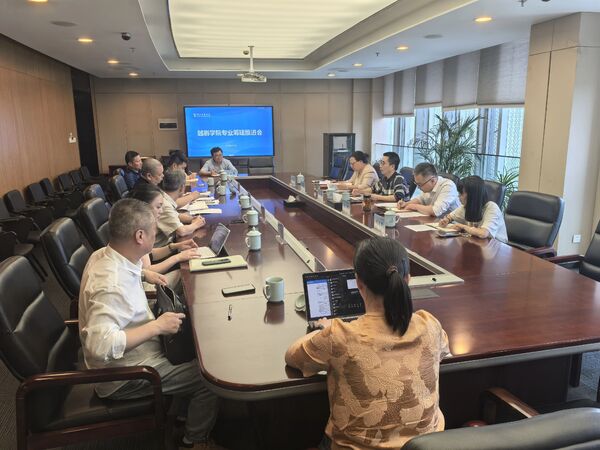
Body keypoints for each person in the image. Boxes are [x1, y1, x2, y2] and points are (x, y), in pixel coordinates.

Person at [78, 198, 222, 449]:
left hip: (141, 352)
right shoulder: (110, 285)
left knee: (197, 346)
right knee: (209, 378)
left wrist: (144, 274)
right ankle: (194, 441)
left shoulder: (105, 254)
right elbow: (99, 346)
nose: (157, 235)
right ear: (140, 236)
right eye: (154, 230)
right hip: (125, 375)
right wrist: (157, 327)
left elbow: (124, 276)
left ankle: (183, 413)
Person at [286, 237, 450, 450]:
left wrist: (322, 330)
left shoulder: (339, 336)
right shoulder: (430, 325)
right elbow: (444, 350)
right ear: (408, 280)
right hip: (426, 446)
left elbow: (292, 356)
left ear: (358, 283)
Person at [129, 184, 203, 287]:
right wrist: (178, 257)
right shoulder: (138, 230)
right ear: (144, 207)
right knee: (187, 272)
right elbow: (148, 270)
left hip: (145, 278)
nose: (161, 211)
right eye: (158, 207)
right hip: (145, 285)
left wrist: (174, 247)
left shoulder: (137, 222)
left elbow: (150, 254)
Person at [439, 176, 508, 243]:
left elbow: (483, 233)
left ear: (472, 195)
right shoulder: (467, 207)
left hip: (497, 246)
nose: (458, 196)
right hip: (479, 243)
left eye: (461, 193)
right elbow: (450, 216)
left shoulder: (492, 207)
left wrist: (462, 226)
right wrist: (446, 220)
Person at [156, 169, 206, 247]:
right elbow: (181, 232)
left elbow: (175, 215)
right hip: (160, 248)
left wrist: (192, 219)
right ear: (182, 187)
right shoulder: (164, 204)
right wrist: (196, 224)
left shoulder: (163, 197)